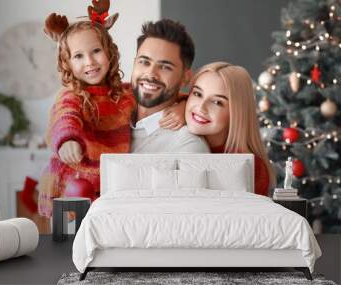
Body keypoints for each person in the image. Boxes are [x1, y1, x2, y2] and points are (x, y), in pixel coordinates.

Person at [38, 9, 186, 218]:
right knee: (74, 234)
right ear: (68, 63)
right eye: (78, 56)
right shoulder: (72, 96)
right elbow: (65, 117)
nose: (89, 61)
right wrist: (67, 140)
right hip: (73, 181)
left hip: (109, 183)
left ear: (109, 52)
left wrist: (181, 106)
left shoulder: (123, 94)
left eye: (96, 51)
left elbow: (163, 95)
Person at [185, 62, 275, 196]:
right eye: (197, 94)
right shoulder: (171, 132)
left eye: (217, 102)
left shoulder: (251, 168)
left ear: (237, 112)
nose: (201, 107)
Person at [130, 19, 210, 153]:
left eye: (165, 67)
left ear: (185, 77)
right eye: (144, 62)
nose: (150, 74)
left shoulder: (187, 145)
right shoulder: (108, 118)